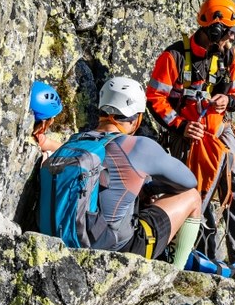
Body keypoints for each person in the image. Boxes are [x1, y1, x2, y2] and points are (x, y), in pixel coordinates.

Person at [146, 0, 235, 263]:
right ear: (215, 30)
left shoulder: (228, 54)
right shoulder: (174, 57)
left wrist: (229, 100)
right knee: (195, 191)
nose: (233, 40)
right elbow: (155, 99)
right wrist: (181, 126)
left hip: (220, 130)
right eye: (230, 34)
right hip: (189, 137)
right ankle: (190, 252)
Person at [83, 77, 202, 267]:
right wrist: (148, 188)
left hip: (72, 238)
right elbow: (189, 181)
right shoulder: (137, 145)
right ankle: (176, 273)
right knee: (192, 197)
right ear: (137, 118)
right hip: (119, 248)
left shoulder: (77, 141)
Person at [29, 80, 63, 160]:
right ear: (42, 123)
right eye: (52, 117)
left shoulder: (37, 135)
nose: (52, 121)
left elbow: (49, 143)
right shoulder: (31, 141)